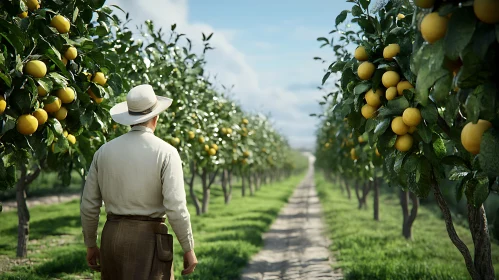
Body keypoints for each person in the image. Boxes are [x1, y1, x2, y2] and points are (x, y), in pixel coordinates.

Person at [80, 84, 197, 279]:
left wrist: (91, 244)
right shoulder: (166, 152)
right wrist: (188, 247)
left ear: (129, 118)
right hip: (148, 240)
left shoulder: (104, 151)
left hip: (112, 236)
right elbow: (175, 207)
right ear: (156, 117)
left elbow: (89, 205)